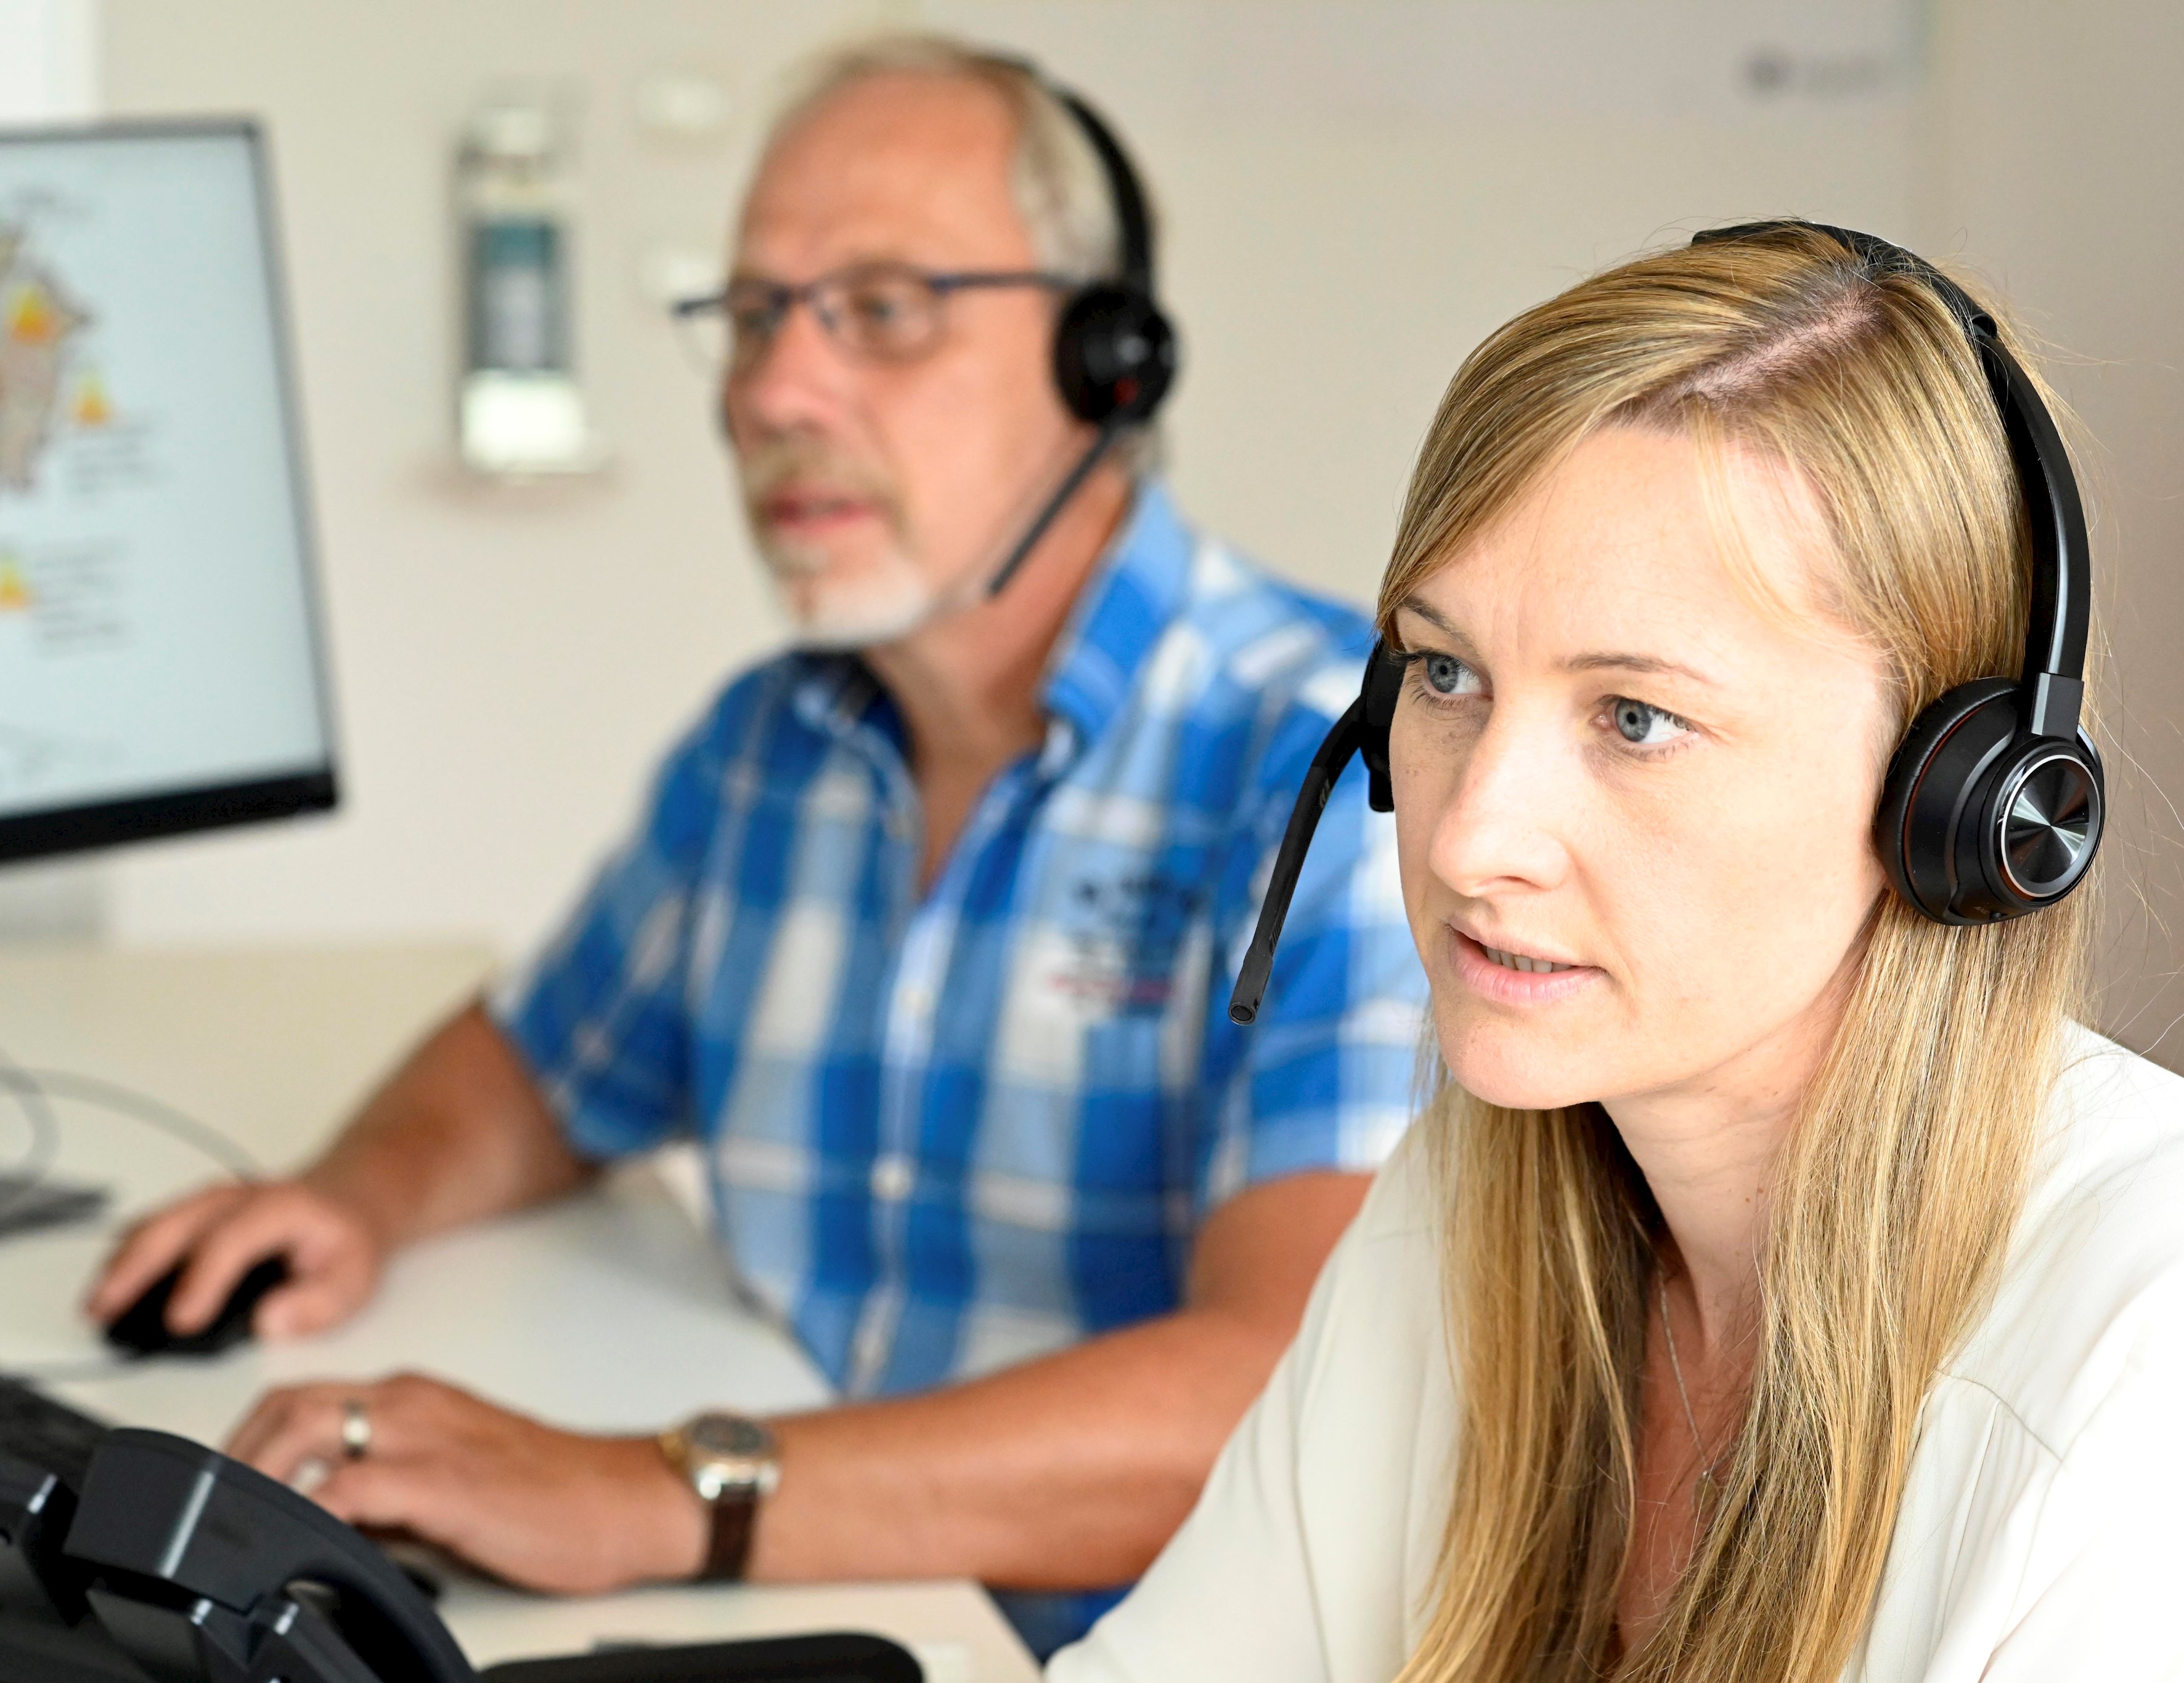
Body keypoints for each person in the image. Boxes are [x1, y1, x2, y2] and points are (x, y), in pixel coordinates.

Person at [85, 35, 1424, 1655]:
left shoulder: (1335, 772)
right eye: (754, 315)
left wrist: (657, 1489)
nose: (776, 392)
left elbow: (1280, 1390)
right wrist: (357, 1194)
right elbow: (543, 1063)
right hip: (853, 1602)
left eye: (879, 308)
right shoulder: (771, 749)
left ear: (1107, 365)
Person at [1049, 222, 2184, 1681]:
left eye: (1633, 717)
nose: (1467, 842)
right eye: (1446, 673)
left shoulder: (2140, 1354)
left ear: (1959, 799)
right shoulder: (1462, 1209)